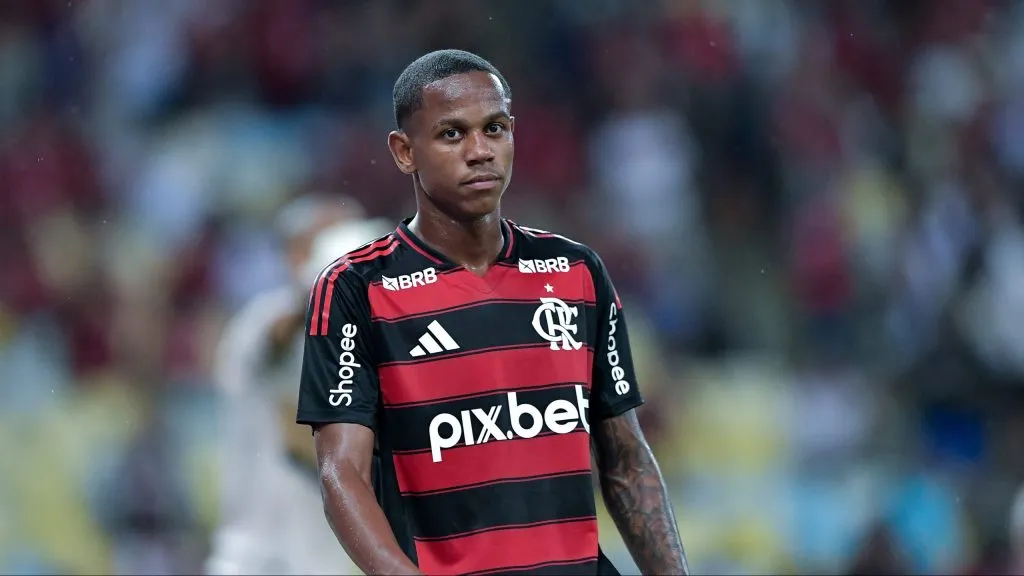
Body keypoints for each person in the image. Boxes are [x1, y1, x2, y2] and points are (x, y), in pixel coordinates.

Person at [297, 49, 690, 575]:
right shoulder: (356, 288)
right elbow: (341, 473)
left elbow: (625, 459)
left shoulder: (577, 272)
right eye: (452, 134)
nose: (480, 151)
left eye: (495, 128)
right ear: (403, 151)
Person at [206, 194, 390, 575]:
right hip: (259, 555)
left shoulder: (372, 337)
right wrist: (319, 284)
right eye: (332, 239)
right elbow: (273, 351)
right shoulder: (263, 322)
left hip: (332, 561)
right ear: (294, 254)